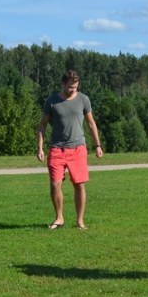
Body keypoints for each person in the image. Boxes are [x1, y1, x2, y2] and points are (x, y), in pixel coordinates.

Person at [36, 70, 103, 230]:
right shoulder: (51, 101)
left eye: (75, 87)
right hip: (56, 149)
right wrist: (40, 148)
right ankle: (59, 218)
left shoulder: (83, 99)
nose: (73, 89)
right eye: (70, 87)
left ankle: (80, 221)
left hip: (78, 149)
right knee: (55, 184)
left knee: (79, 185)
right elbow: (42, 125)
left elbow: (91, 123)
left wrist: (98, 145)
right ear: (63, 84)